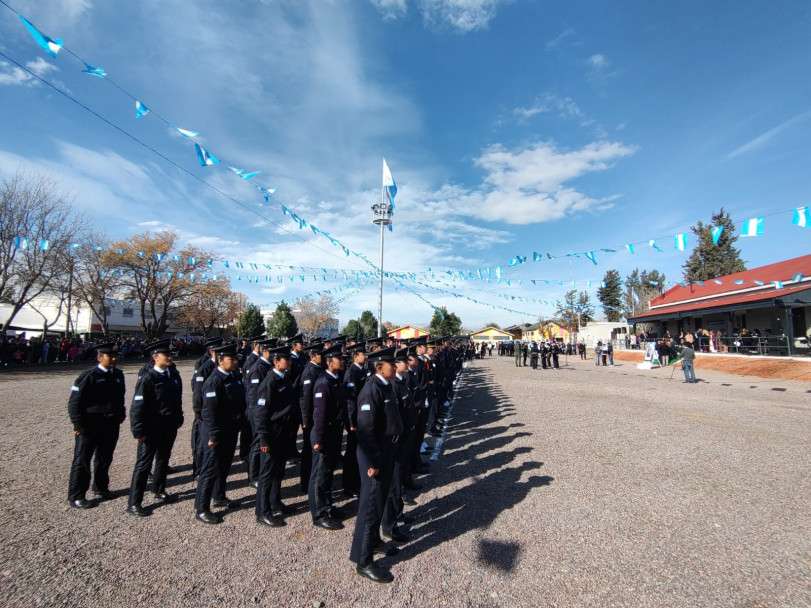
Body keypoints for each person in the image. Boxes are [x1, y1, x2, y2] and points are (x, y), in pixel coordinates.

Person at [349, 347, 403, 583]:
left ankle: (375, 541)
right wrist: (373, 461)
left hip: (386, 450)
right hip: (375, 454)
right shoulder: (371, 390)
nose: (396, 366)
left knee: (379, 500)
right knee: (370, 506)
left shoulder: (386, 385)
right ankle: (364, 560)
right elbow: (366, 430)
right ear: (380, 367)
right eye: (392, 363)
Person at [127, 340, 183, 516]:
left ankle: (159, 490)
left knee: (163, 459)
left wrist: (178, 417)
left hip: (168, 425)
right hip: (151, 426)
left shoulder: (173, 376)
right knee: (144, 465)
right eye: (166, 355)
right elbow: (137, 407)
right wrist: (138, 431)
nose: (170, 357)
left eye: (170, 355)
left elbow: (177, 399)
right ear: (155, 357)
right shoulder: (148, 378)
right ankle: (135, 502)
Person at [67, 343, 126, 508]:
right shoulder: (88, 376)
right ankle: (76, 495)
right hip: (90, 424)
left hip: (110, 423)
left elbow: (120, 397)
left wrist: (120, 413)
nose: (114, 359)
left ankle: (101, 488)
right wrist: (77, 423)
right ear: (99, 357)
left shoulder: (118, 375)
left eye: (116, 356)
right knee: (82, 460)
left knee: (104, 458)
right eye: (110, 356)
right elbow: (74, 402)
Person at [194, 344, 246, 524]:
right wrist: (213, 436)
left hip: (229, 430)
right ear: (220, 361)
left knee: (224, 466)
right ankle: (201, 508)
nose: (235, 362)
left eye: (235, 359)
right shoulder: (213, 381)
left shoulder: (232, 377)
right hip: (216, 432)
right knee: (209, 470)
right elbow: (208, 413)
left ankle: (219, 496)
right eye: (231, 359)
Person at [254, 345, 297, 528]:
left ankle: (275, 502)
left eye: (289, 359)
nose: (288, 362)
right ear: (275, 361)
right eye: (284, 359)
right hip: (273, 433)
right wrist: (263, 438)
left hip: (284, 434)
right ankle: (262, 511)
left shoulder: (284, 379)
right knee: (267, 473)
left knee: (279, 471)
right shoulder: (269, 382)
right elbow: (261, 413)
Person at [308, 344, 347, 530]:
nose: (342, 360)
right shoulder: (323, 383)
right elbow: (320, 415)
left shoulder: (335, 380)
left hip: (334, 433)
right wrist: (319, 439)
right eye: (339, 358)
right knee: (319, 476)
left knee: (329, 472)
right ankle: (319, 514)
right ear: (329, 362)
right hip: (324, 434)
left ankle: (328, 506)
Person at [342, 343, 367, 498]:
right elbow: (350, 400)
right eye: (363, 354)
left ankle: (357, 482)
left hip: (361, 418)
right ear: (355, 356)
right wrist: (351, 422)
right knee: (352, 453)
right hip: (355, 420)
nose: (366, 356)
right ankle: (349, 486)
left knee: (359, 452)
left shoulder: (361, 370)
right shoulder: (352, 373)